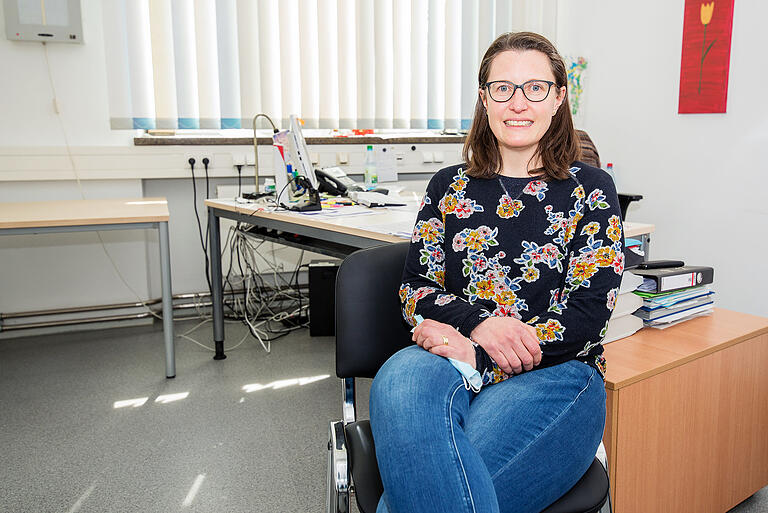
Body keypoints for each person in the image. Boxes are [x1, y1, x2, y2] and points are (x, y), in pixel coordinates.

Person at [369, 32, 624, 513]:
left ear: (559, 99)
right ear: (484, 99)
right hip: (446, 358)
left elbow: (588, 315)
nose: (518, 102)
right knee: (397, 381)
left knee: (426, 489)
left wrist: (481, 355)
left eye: (535, 87)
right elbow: (415, 289)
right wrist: (481, 326)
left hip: (556, 373)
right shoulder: (449, 186)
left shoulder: (590, 188)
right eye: (502, 88)